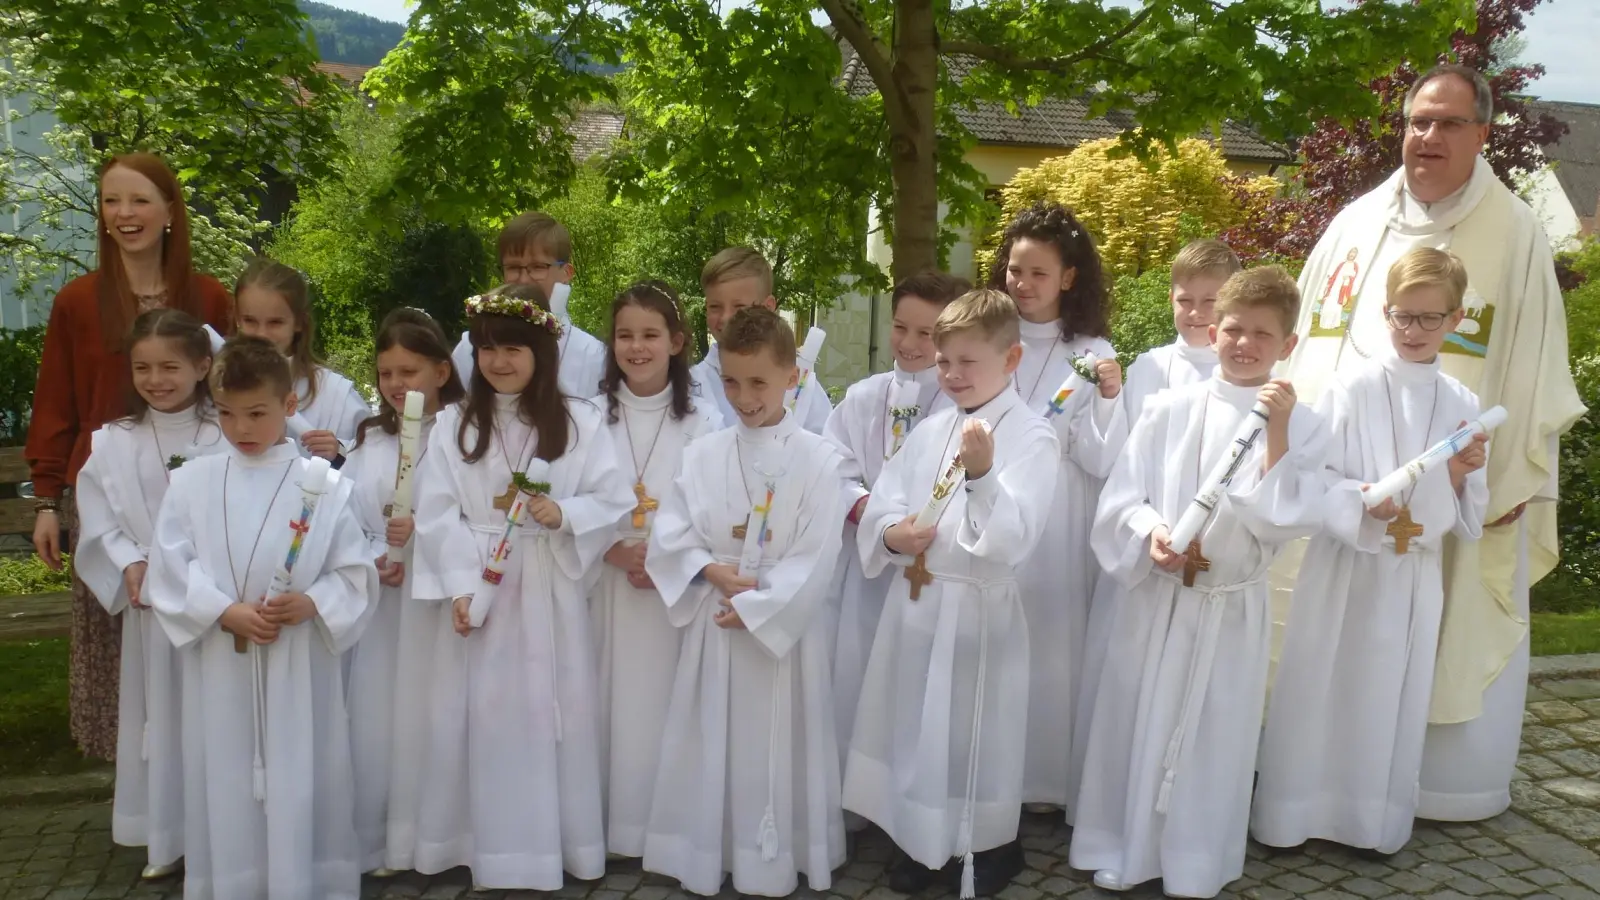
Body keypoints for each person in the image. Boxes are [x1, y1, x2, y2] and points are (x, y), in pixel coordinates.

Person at [1285, 63, 1585, 822]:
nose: (1429, 137)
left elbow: (1533, 368)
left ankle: (1439, 789)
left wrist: (1510, 481)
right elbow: (1303, 348)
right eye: (1419, 120)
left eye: (1450, 123)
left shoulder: (1514, 232)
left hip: (1450, 495)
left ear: (1483, 133)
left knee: (1439, 639)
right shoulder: (1355, 222)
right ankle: (1313, 783)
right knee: (1327, 640)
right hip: (1343, 497)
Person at [1070, 267, 1328, 898]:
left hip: (1228, 608)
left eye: (1262, 335)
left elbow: (1288, 514)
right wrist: (1152, 530)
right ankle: (1126, 846)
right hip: (1158, 601)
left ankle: (1196, 859)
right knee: (1138, 720)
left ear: (1287, 345)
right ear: (1213, 332)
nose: (1244, 344)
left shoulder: (1306, 424)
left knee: (1214, 735)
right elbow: (1123, 497)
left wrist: (1278, 433)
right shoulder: (1166, 409)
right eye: (1233, 329)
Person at [1254, 248, 1490, 854]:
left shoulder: (1462, 405)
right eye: (1401, 315)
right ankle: (1295, 814)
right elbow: (1315, 475)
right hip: (1346, 569)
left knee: (1387, 694)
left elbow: (1464, 510)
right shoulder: (1351, 387)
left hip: (1411, 575)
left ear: (1456, 318)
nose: (1412, 331)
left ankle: (1368, 821)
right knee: (1325, 685)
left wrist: (1462, 473)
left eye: (1429, 319)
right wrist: (1360, 498)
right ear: (1384, 312)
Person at [410, 284, 633, 890]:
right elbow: (433, 511)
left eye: (513, 348)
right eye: (486, 350)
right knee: (477, 711)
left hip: (545, 587)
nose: (499, 361)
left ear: (541, 352)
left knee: (547, 713)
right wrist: (460, 584)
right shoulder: (455, 424)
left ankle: (552, 845)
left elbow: (612, 497)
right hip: (479, 589)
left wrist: (568, 515)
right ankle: (473, 840)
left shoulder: (580, 420)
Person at [843, 288, 1060, 899]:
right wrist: (891, 533)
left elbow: (1016, 535)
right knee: (914, 723)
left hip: (977, 610)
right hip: (917, 605)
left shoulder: (1032, 436)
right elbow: (885, 497)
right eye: (944, 362)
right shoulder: (933, 426)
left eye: (969, 362)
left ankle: (983, 844)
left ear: (1011, 358)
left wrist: (986, 474)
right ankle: (918, 837)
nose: (952, 375)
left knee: (972, 731)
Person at [146, 335, 377, 899]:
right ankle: (233, 882)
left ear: (289, 408)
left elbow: (353, 570)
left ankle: (305, 881)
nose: (241, 428)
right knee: (224, 776)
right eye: (226, 413)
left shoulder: (323, 486)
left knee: (302, 772)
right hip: (223, 658)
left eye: (256, 413)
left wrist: (314, 601)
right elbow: (171, 566)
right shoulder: (192, 482)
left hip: (295, 659)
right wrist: (223, 611)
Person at [26, 151, 234, 762]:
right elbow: (56, 403)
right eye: (112, 200)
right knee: (121, 647)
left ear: (170, 211)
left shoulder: (208, 298)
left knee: (197, 638)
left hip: (196, 493)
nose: (124, 213)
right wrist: (46, 500)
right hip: (110, 500)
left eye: (139, 199)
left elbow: (238, 390)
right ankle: (142, 800)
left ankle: (204, 781)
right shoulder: (79, 301)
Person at [642, 306, 846, 896]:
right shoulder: (704, 452)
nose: (743, 395)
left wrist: (758, 604)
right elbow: (671, 532)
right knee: (715, 737)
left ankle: (780, 852)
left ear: (791, 376)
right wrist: (709, 570)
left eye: (759, 381)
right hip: (716, 620)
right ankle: (715, 848)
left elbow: (817, 553)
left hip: (783, 635)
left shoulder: (820, 459)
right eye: (731, 380)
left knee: (780, 746)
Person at [1067, 238, 1238, 807]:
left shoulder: (1246, 372)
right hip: (1148, 551)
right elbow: (1122, 460)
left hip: (1215, 556)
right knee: (1129, 685)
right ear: (1170, 299)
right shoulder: (1151, 367)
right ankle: (1115, 799)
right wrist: (1149, 529)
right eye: (1185, 299)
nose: (1195, 313)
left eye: (1210, 301)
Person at [73, 309, 224, 880]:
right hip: (155, 609)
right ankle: (168, 834)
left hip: (213, 601)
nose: (156, 379)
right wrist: (129, 562)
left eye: (170, 366)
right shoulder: (115, 442)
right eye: (143, 368)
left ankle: (222, 828)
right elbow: (101, 522)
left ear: (202, 366)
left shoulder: (224, 431)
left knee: (215, 715)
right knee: (163, 714)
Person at [988, 201, 1124, 814]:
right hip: (993, 498)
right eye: (1015, 270)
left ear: (1068, 278)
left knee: (1048, 642)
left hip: (1059, 514)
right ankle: (988, 773)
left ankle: (1041, 781)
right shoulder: (989, 337)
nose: (1023, 284)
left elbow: (1104, 457)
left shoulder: (1091, 351)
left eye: (1038, 273)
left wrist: (1105, 403)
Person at [590, 281, 721, 858]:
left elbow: (714, 505)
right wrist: (609, 549)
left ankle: (663, 830)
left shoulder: (705, 420)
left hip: (672, 592)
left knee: (663, 708)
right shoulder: (587, 417)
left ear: (677, 342)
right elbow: (566, 495)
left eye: (649, 335)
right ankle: (606, 826)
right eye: (625, 335)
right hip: (604, 586)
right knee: (604, 704)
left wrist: (667, 558)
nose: (636, 348)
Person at [823, 270, 970, 770]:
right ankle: (857, 785)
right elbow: (834, 464)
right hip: (866, 570)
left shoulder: (960, 404)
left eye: (926, 334)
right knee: (861, 672)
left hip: (928, 567)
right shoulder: (864, 397)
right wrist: (868, 510)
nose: (908, 344)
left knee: (916, 683)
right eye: (900, 327)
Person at [341, 308, 465, 875]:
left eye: (409, 372)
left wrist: (425, 533)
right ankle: (386, 836)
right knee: (385, 718)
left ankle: (443, 835)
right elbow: (345, 522)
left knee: (435, 712)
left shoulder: (466, 433)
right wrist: (375, 554)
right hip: (386, 604)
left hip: (440, 603)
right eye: (386, 372)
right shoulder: (368, 441)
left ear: (442, 371)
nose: (396, 384)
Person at [450, 211, 608, 399]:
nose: (524, 279)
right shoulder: (471, 346)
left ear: (566, 272)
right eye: (514, 268)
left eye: (538, 267)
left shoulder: (593, 355)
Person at [234, 258, 372, 464]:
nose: (261, 335)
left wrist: (340, 452)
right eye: (250, 321)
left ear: (298, 322)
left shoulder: (336, 397)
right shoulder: (215, 386)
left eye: (275, 322)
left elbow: (374, 466)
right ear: (237, 318)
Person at [689, 247, 833, 433]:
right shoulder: (691, 386)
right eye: (715, 307)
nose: (725, 318)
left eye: (739, 306)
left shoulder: (802, 386)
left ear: (767, 307)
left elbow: (826, 446)